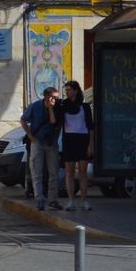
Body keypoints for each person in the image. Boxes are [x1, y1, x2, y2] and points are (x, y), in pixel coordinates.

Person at [21, 85, 63, 211]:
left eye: (57, 97)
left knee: (54, 172)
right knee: (36, 172)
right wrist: (30, 136)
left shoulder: (57, 108)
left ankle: (53, 199)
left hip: (50, 142)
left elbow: (56, 123)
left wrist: (51, 108)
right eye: (53, 97)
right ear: (46, 97)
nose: (56, 99)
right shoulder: (34, 106)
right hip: (37, 142)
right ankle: (39, 199)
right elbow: (23, 120)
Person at [57, 81, 95, 213]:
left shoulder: (84, 107)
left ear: (75, 91)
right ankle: (71, 200)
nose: (67, 92)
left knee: (83, 173)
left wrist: (90, 144)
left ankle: (84, 200)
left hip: (83, 139)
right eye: (66, 90)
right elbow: (59, 123)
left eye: (69, 90)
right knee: (70, 172)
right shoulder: (64, 106)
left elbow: (90, 126)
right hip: (69, 139)